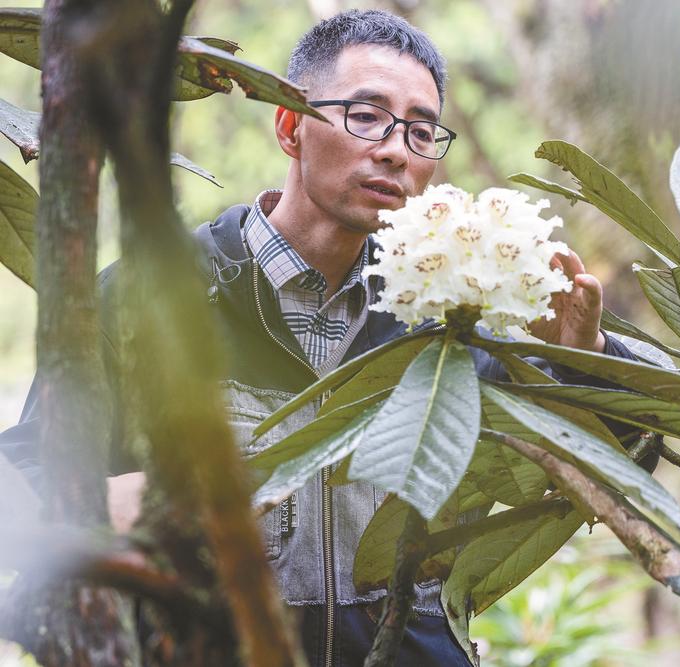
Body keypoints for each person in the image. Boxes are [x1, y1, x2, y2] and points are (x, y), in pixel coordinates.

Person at [1, 9, 642, 666]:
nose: (396, 150)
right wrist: (101, 502)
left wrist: (583, 358)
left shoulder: (447, 311)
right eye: (366, 116)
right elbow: (19, 480)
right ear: (290, 127)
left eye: (421, 131)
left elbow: (610, 467)